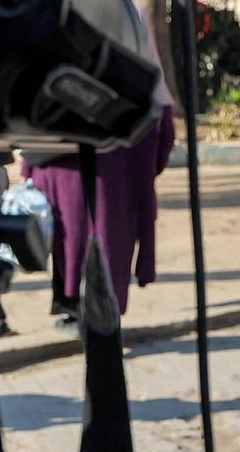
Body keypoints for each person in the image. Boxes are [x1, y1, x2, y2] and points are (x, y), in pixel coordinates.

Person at [21, 32, 177, 331]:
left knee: (69, 234)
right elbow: (159, 98)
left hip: (61, 151)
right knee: (107, 235)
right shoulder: (131, 13)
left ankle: (76, 307)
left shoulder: (57, 3)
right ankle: (100, 313)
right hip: (117, 151)